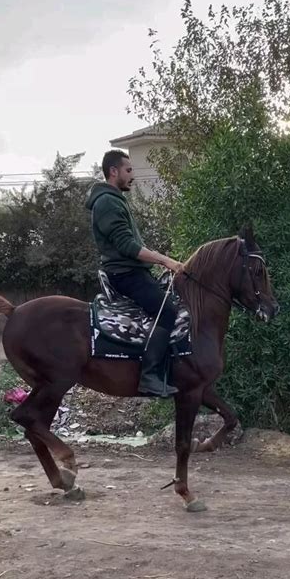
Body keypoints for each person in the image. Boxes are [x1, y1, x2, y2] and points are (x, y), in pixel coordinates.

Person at [87, 149, 182, 397]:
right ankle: (149, 376)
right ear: (113, 171)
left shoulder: (115, 198)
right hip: (126, 275)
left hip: (132, 272)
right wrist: (166, 261)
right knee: (167, 310)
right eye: (129, 170)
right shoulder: (107, 202)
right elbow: (127, 247)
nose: (132, 176)